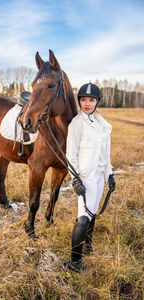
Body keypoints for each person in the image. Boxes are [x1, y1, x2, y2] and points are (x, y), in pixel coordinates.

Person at [66, 83, 116, 272]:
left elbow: (105, 152)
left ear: (97, 102)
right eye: (83, 100)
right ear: (79, 101)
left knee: (93, 211)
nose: (87, 103)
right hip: (85, 175)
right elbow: (71, 154)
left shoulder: (99, 122)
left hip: (99, 175)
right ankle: (75, 262)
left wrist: (109, 174)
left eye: (91, 100)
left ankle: (87, 244)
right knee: (84, 217)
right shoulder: (77, 124)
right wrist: (75, 179)